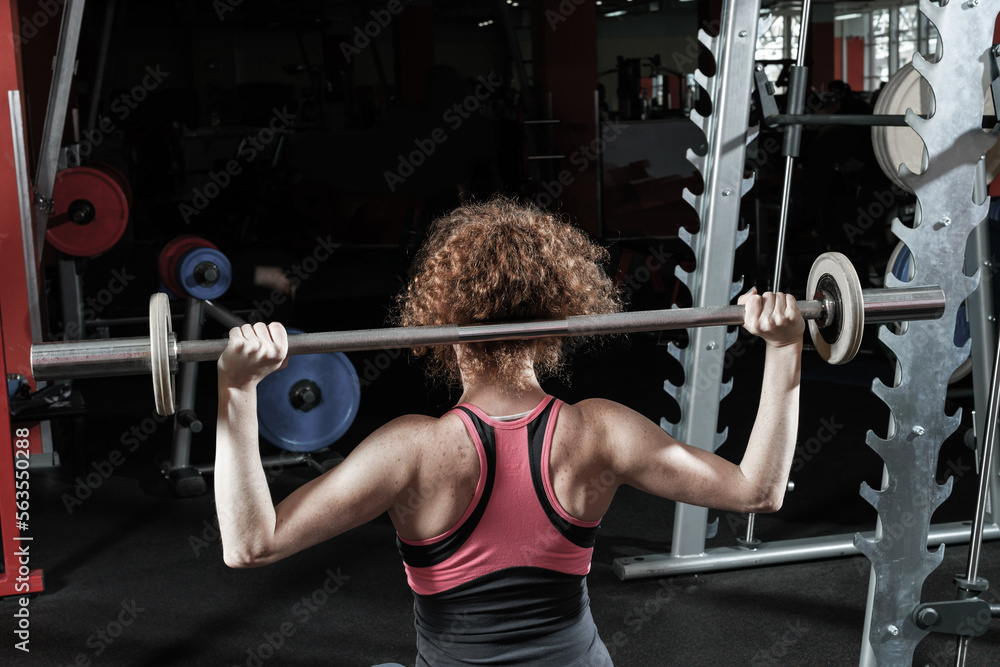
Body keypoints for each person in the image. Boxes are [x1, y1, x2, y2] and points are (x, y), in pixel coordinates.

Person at [214, 197, 804, 666]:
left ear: (442, 320)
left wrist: (237, 392)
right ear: (555, 319)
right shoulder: (598, 432)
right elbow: (758, 491)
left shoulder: (412, 451)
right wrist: (785, 349)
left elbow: (250, 545)